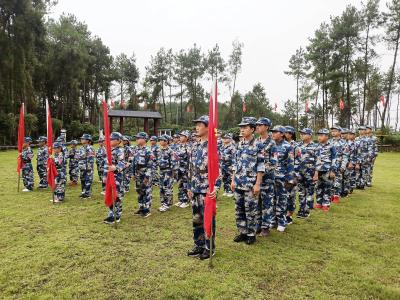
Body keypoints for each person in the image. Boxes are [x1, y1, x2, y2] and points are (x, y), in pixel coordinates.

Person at [187, 115, 221, 259]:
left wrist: (216, 188)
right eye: (196, 124)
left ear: (208, 127)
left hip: (207, 189)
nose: (197, 127)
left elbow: (219, 169)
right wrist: (189, 186)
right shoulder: (195, 145)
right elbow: (191, 167)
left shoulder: (213, 146)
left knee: (208, 219)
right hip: (195, 188)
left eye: (200, 125)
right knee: (197, 219)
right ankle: (199, 244)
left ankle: (209, 247)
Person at [231, 117, 265, 244]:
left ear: (252, 129)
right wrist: (233, 180)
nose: (242, 129)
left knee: (251, 209)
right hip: (239, 182)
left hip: (251, 183)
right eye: (241, 127)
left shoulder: (258, 145)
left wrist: (257, 184)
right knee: (239, 209)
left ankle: (251, 234)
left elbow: (261, 166)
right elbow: (235, 163)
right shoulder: (240, 144)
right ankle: (242, 232)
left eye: (245, 127)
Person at [255, 117, 277, 237]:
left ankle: (265, 227)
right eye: (257, 125)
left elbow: (273, 163)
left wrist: (261, 170)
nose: (258, 126)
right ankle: (258, 224)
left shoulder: (272, 143)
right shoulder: (255, 142)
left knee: (267, 203)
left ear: (267, 127)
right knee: (256, 202)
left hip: (267, 178)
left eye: (260, 125)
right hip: (255, 178)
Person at [271, 125, 295, 232]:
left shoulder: (288, 146)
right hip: (270, 177)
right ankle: (272, 220)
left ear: (282, 134)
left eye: (276, 132)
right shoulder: (270, 145)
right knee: (271, 199)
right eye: (272, 132)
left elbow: (290, 164)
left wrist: (289, 179)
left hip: (282, 177)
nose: (273, 134)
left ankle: (282, 221)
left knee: (282, 199)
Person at [103, 132, 126, 224]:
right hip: (108, 176)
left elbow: (123, 162)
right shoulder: (109, 150)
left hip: (117, 177)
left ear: (118, 141)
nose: (110, 141)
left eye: (112, 139)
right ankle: (111, 214)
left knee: (117, 196)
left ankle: (117, 216)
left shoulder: (120, 151)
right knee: (110, 194)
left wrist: (116, 167)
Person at [295, 128, 317, 218]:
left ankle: (307, 210)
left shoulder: (315, 146)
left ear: (310, 135)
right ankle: (301, 209)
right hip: (300, 173)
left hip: (310, 173)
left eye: (304, 134)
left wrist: (316, 173)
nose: (301, 135)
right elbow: (295, 159)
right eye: (301, 134)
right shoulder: (298, 146)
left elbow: (318, 161)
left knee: (309, 192)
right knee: (301, 192)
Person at [314, 129, 337, 212]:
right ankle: (319, 202)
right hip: (318, 170)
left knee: (327, 187)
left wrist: (333, 170)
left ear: (327, 136)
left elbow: (334, 158)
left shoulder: (331, 146)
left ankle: (326, 203)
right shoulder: (316, 146)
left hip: (327, 170)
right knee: (318, 187)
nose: (319, 137)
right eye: (318, 135)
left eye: (321, 135)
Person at [133, 132, 154, 218]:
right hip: (138, 174)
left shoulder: (148, 151)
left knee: (146, 192)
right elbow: (134, 163)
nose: (137, 139)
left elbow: (150, 165)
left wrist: (147, 177)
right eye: (136, 138)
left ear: (145, 139)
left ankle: (147, 210)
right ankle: (141, 207)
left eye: (138, 138)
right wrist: (133, 174)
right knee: (139, 191)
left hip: (145, 174)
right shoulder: (137, 149)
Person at [157, 134, 177, 212]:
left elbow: (174, 163)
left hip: (168, 171)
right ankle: (163, 203)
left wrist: (172, 174)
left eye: (162, 140)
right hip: (161, 171)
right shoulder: (160, 150)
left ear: (166, 141)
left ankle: (167, 204)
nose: (160, 141)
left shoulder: (171, 151)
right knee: (161, 188)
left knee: (168, 188)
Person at [329, 126, 348, 203]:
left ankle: (336, 196)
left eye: (335, 131)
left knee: (337, 181)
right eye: (332, 131)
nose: (333, 132)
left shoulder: (343, 143)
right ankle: (329, 196)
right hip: (329, 164)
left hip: (339, 164)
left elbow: (345, 155)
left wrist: (343, 166)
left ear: (340, 132)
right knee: (329, 181)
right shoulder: (329, 142)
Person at [284, 125, 298, 225]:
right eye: (285, 132)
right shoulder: (280, 144)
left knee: (291, 196)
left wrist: (295, 176)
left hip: (293, 174)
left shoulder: (296, 146)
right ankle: (282, 215)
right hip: (282, 174)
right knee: (282, 196)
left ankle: (289, 215)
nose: (286, 134)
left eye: (288, 132)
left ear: (292, 134)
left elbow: (297, 161)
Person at [175, 130, 191, 208]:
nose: (180, 137)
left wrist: (188, 170)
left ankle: (186, 200)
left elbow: (190, 159)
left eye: (182, 136)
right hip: (179, 168)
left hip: (186, 169)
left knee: (186, 185)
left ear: (186, 137)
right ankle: (181, 199)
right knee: (180, 184)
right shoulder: (179, 146)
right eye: (180, 136)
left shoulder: (189, 147)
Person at [78, 133, 95, 198]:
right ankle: (83, 192)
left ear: (88, 140)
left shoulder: (90, 148)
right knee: (82, 179)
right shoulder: (81, 148)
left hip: (88, 167)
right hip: (82, 167)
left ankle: (87, 194)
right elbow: (79, 157)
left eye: (83, 138)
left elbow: (90, 159)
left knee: (88, 180)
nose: (81, 139)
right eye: (81, 138)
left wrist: (88, 168)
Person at [220, 133, 236, 197]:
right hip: (223, 165)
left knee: (230, 178)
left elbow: (234, 157)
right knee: (224, 178)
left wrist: (233, 166)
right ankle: (226, 190)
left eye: (226, 138)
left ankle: (231, 191)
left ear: (230, 139)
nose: (224, 139)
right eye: (223, 138)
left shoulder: (232, 147)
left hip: (230, 165)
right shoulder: (222, 147)